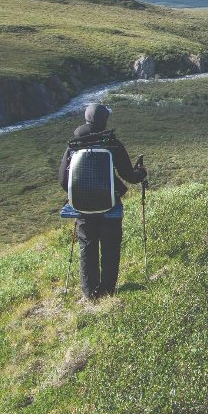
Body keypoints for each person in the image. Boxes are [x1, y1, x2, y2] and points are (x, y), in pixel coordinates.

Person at [58, 102, 147, 300]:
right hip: (110, 205)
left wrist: (80, 194)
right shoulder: (111, 142)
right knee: (110, 247)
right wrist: (141, 172)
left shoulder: (74, 145)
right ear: (103, 120)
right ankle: (107, 291)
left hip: (82, 207)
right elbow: (129, 176)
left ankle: (90, 294)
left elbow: (63, 181)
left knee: (87, 247)